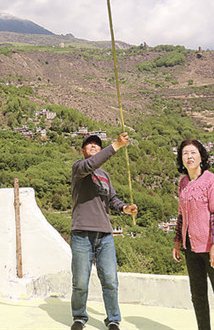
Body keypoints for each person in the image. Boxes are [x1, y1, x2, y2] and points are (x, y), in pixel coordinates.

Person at [70, 132, 137, 330]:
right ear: (83, 150)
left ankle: (113, 319)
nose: (93, 145)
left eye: (97, 144)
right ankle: (79, 317)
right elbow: (91, 164)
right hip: (81, 234)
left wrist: (124, 208)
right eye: (89, 144)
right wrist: (116, 145)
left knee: (110, 280)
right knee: (80, 282)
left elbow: (112, 200)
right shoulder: (79, 167)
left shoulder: (105, 176)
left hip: (105, 235)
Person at [172, 139, 214, 330]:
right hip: (190, 249)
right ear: (181, 159)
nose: (189, 156)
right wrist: (177, 242)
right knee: (198, 297)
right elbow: (181, 216)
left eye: (193, 152)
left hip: (211, 247)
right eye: (185, 153)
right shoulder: (183, 183)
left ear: (201, 157)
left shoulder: (211, 181)